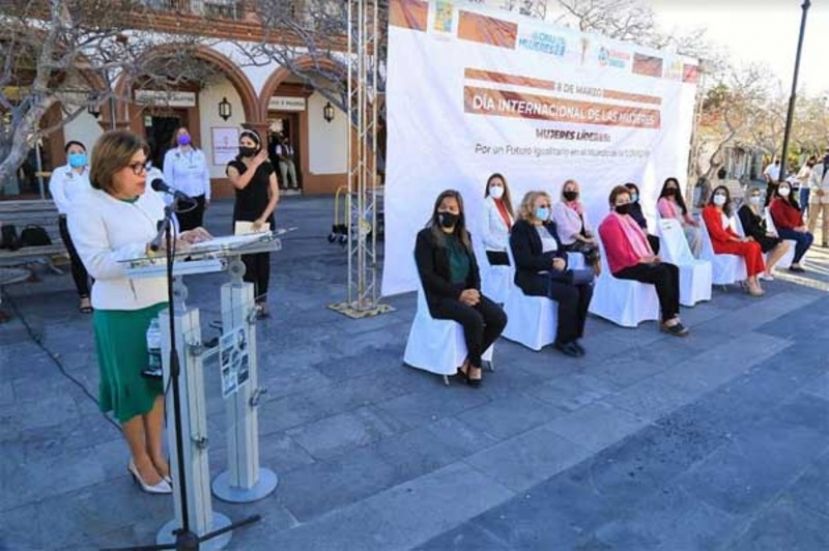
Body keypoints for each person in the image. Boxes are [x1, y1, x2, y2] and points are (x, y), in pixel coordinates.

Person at [69, 130, 211, 494]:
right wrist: (149, 247)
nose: (142, 173)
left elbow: (162, 240)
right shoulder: (86, 205)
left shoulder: (149, 197)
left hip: (158, 302)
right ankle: (140, 460)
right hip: (121, 312)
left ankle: (157, 454)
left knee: (156, 385)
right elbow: (98, 264)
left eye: (144, 165)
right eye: (134, 167)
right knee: (131, 390)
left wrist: (183, 239)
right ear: (110, 167)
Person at [414, 190, 507, 386]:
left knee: (499, 317)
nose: (447, 212)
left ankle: (467, 361)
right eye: (443, 207)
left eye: (452, 208)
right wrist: (459, 294)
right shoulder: (425, 237)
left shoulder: (465, 237)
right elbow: (428, 277)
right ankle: (475, 366)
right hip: (441, 298)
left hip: (468, 293)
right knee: (474, 318)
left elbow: (475, 270)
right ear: (436, 210)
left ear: (460, 212)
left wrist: (475, 292)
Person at [510, 191, 593, 356]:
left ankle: (574, 336)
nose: (546, 209)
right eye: (542, 206)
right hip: (532, 277)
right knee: (570, 293)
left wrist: (563, 261)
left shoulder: (550, 226)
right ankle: (563, 340)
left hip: (555, 273)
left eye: (548, 206)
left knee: (586, 288)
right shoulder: (521, 228)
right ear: (529, 207)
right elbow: (524, 260)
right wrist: (550, 263)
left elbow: (561, 250)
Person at [599, 186, 688, 336]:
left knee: (673, 268)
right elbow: (619, 253)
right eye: (620, 201)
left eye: (627, 200)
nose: (625, 203)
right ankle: (668, 319)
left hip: (639, 261)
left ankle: (673, 312)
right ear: (613, 204)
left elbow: (642, 241)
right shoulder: (610, 223)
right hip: (624, 266)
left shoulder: (628, 219)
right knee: (661, 272)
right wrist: (645, 260)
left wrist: (651, 257)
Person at [226, 129, 280, 317]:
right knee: (247, 261)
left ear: (257, 146)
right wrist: (255, 164)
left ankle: (262, 301)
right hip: (243, 217)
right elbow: (240, 183)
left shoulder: (267, 166)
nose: (245, 146)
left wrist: (264, 217)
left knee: (263, 261)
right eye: (243, 143)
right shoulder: (233, 165)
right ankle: (249, 302)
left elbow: (275, 194)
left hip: (263, 217)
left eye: (249, 143)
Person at [49, 140, 93, 313]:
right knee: (78, 259)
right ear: (67, 155)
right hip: (70, 221)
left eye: (80, 151)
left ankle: (98, 295)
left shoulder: (92, 173)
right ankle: (84, 297)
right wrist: (79, 213)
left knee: (96, 256)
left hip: (93, 221)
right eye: (73, 152)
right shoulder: (60, 174)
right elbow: (60, 199)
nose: (77, 155)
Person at [702, 185, 766, 295]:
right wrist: (738, 241)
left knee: (755, 244)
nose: (720, 196)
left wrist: (742, 238)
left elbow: (729, 231)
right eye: (717, 193)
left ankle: (755, 277)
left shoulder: (723, 212)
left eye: (723, 194)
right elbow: (717, 233)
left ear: (726, 198)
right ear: (713, 196)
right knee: (751, 247)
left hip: (727, 241)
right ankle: (750, 280)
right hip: (718, 244)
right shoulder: (708, 210)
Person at [162, 127, 211, 230]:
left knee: (198, 228)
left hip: (198, 196)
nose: (183, 135)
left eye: (185, 133)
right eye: (180, 134)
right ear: (176, 138)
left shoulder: (199, 154)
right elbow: (168, 179)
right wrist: (170, 201)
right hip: (181, 198)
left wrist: (207, 196)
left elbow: (205, 176)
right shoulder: (171, 155)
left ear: (189, 136)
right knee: (184, 228)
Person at [737, 188, 790, 280]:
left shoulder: (755, 208)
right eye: (753, 195)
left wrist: (766, 232)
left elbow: (759, 226)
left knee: (785, 244)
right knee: (783, 244)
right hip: (753, 236)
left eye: (757, 195)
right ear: (747, 196)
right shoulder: (744, 209)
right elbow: (749, 228)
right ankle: (766, 269)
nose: (756, 197)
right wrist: (764, 234)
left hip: (759, 235)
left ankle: (767, 268)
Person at [551, 180, 601, 275]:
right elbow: (565, 228)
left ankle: (596, 275)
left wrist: (590, 235)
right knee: (592, 247)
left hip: (581, 238)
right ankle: (597, 275)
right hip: (568, 241)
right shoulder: (559, 207)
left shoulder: (579, 206)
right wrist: (585, 240)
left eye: (574, 189)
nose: (571, 191)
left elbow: (586, 225)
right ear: (563, 191)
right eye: (568, 189)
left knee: (596, 244)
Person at [771, 180, 814, 272]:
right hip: (781, 229)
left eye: (786, 187)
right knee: (802, 238)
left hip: (792, 229)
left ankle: (797, 261)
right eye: (781, 187)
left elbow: (799, 217)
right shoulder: (776, 202)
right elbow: (780, 220)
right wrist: (795, 228)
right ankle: (794, 263)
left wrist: (802, 226)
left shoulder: (793, 202)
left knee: (809, 236)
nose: (784, 189)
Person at [657, 177, 701, 256]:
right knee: (694, 233)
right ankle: (690, 256)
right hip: (673, 228)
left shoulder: (679, 200)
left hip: (683, 226)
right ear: (665, 187)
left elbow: (686, 215)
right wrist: (681, 224)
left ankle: (693, 255)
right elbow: (669, 218)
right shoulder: (663, 201)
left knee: (699, 231)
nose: (671, 187)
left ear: (677, 187)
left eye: (674, 185)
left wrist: (693, 222)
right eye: (669, 185)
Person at [481, 173, 514, 266]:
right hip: (494, 251)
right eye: (492, 185)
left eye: (499, 185)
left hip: (508, 250)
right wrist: (502, 245)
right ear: (488, 187)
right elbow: (485, 234)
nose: (496, 187)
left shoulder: (506, 205)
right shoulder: (485, 204)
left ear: (504, 188)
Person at [623, 182, 660, 254]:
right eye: (631, 193)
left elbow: (642, 220)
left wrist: (645, 228)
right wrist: (640, 231)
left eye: (634, 193)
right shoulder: (624, 209)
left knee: (656, 241)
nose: (633, 195)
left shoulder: (637, 206)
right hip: (634, 236)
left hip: (643, 232)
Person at [807, 148, 829, 247]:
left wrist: (825, 191)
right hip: (815, 196)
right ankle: (808, 238)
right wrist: (816, 189)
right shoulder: (816, 167)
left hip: (827, 197)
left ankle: (825, 240)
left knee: (827, 220)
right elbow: (810, 181)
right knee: (812, 219)